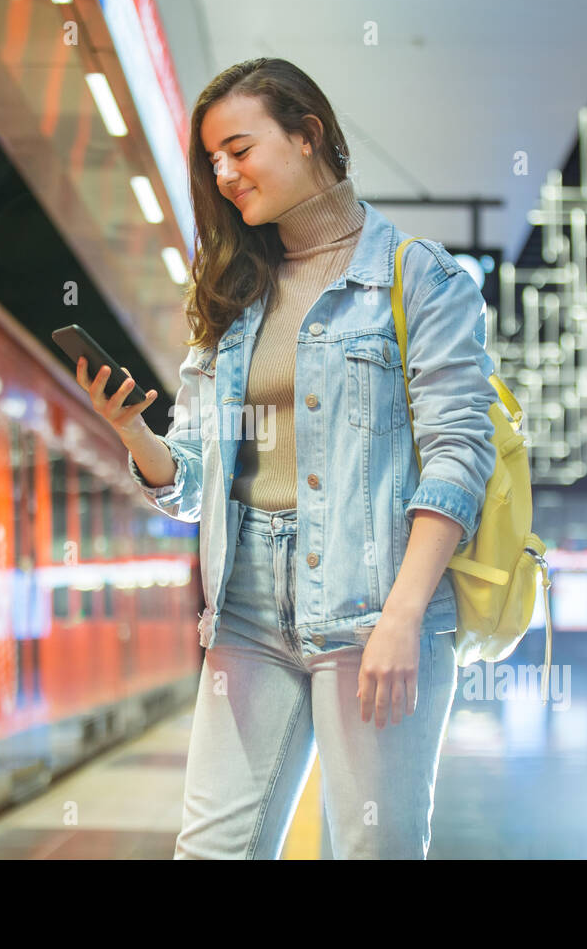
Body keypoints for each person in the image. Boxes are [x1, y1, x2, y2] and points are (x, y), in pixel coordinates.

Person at [74, 58, 497, 858]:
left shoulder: (420, 279)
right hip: (246, 607)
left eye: (239, 149)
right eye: (213, 162)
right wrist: (136, 434)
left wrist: (405, 616)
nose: (225, 175)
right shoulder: (235, 298)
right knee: (209, 852)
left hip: (374, 603)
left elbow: (458, 454)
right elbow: (197, 481)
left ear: (308, 136)